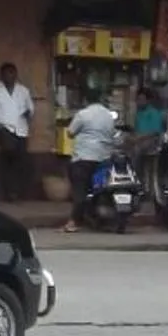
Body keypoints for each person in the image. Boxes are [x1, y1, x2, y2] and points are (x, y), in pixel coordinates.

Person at [62, 87, 120, 233]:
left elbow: (70, 132)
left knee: (79, 190)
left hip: (84, 157)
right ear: (100, 99)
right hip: (104, 158)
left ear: (85, 100)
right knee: (101, 188)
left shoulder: (83, 114)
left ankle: (73, 222)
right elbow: (113, 134)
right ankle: (95, 216)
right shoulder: (108, 115)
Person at [0, 62, 35, 202]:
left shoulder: (23, 91)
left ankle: (14, 192)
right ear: (1, 75)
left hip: (21, 129)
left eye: (12, 73)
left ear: (16, 74)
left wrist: (29, 112)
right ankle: (10, 192)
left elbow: (31, 107)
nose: (10, 76)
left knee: (19, 161)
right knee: (10, 152)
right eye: (7, 73)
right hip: (3, 128)